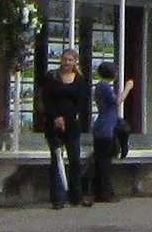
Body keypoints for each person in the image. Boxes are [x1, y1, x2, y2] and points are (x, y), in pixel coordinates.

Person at [38, 47, 91, 208]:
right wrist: (56, 117)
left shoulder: (80, 80)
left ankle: (77, 196)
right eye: (65, 59)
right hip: (54, 124)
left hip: (72, 124)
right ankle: (58, 198)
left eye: (70, 60)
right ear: (60, 60)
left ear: (75, 62)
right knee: (57, 159)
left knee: (75, 159)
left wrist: (67, 118)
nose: (67, 63)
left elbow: (81, 103)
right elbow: (46, 99)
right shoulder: (52, 77)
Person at [91, 61, 123, 202]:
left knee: (101, 161)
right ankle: (105, 193)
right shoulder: (104, 86)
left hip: (102, 127)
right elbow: (116, 101)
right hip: (106, 129)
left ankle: (100, 191)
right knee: (105, 162)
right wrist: (127, 88)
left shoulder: (100, 86)